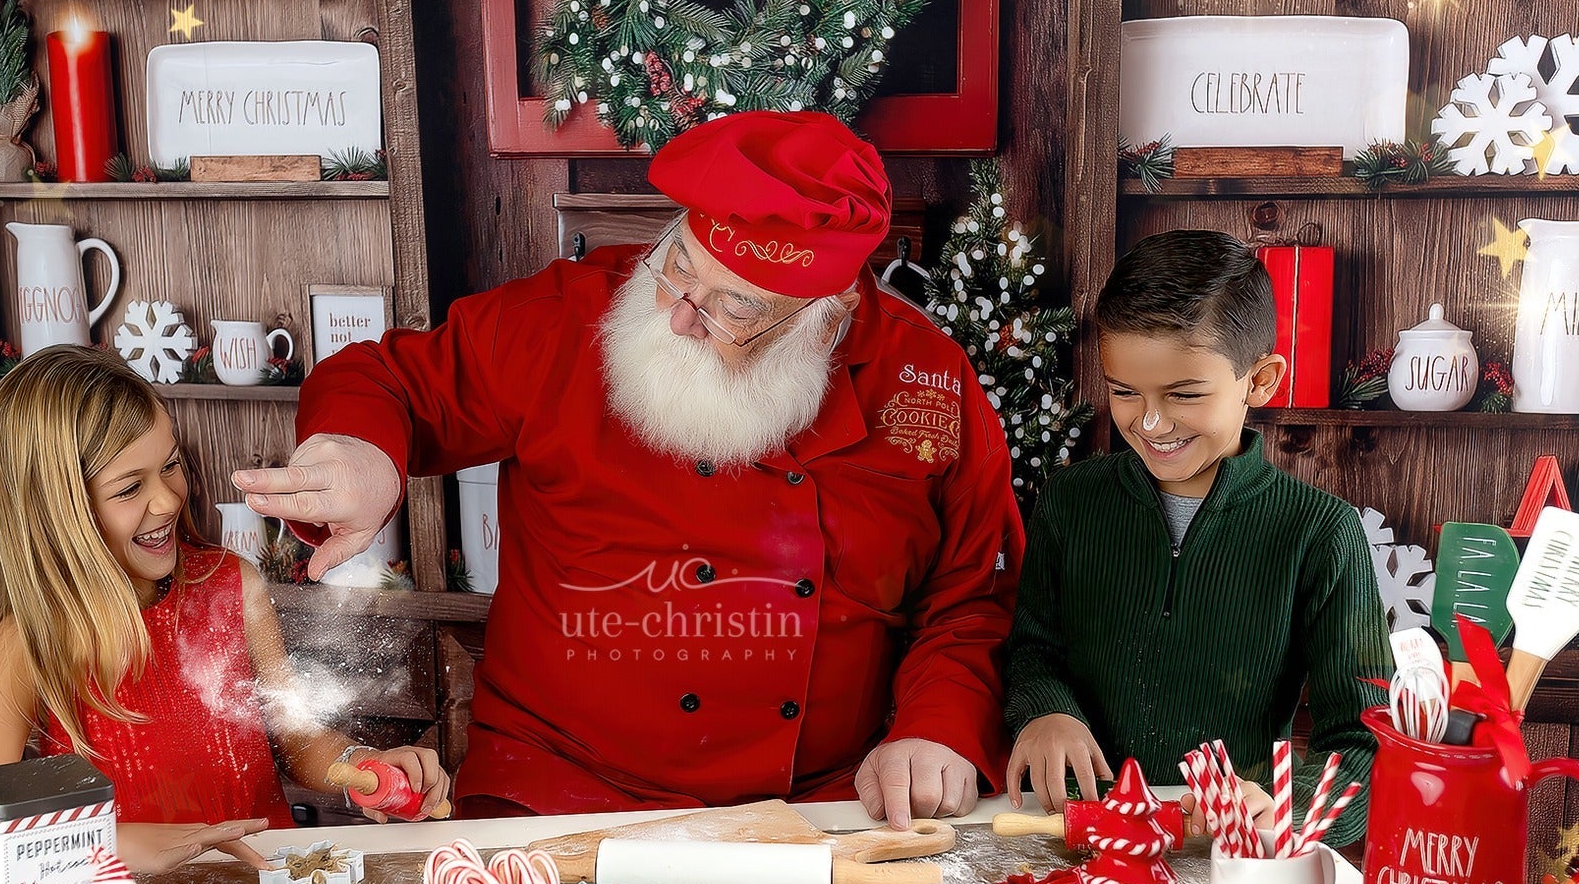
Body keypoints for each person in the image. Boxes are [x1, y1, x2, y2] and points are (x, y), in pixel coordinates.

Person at [236, 110, 1025, 824]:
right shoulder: (567, 316)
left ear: (831, 313)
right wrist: (364, 449)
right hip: (554, 789)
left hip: (816, 807)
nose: (679, 315)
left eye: (735, 306)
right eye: (678, 261)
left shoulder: (927, 385)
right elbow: (387, 379)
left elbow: (970, 598)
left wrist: (935, 727)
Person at [0, 347, 448, 884]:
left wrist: (366, 767)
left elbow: (298, 740)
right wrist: (115, 842)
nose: (167, 500)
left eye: (171, 465)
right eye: (130, 488)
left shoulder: (232, 586)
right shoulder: (30, 644)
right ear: (59, 509)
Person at [1002, 229, 1388, 844]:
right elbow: (1032, 651)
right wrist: (1046, 710)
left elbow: (1364, 740)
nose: (1150, 423)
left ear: (1260, 381)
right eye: (1125, 392)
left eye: (1184, 395)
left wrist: (1286, 811)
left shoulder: (1320, 533)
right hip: (1075, 838)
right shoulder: (1070, 503)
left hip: (1230, 858)